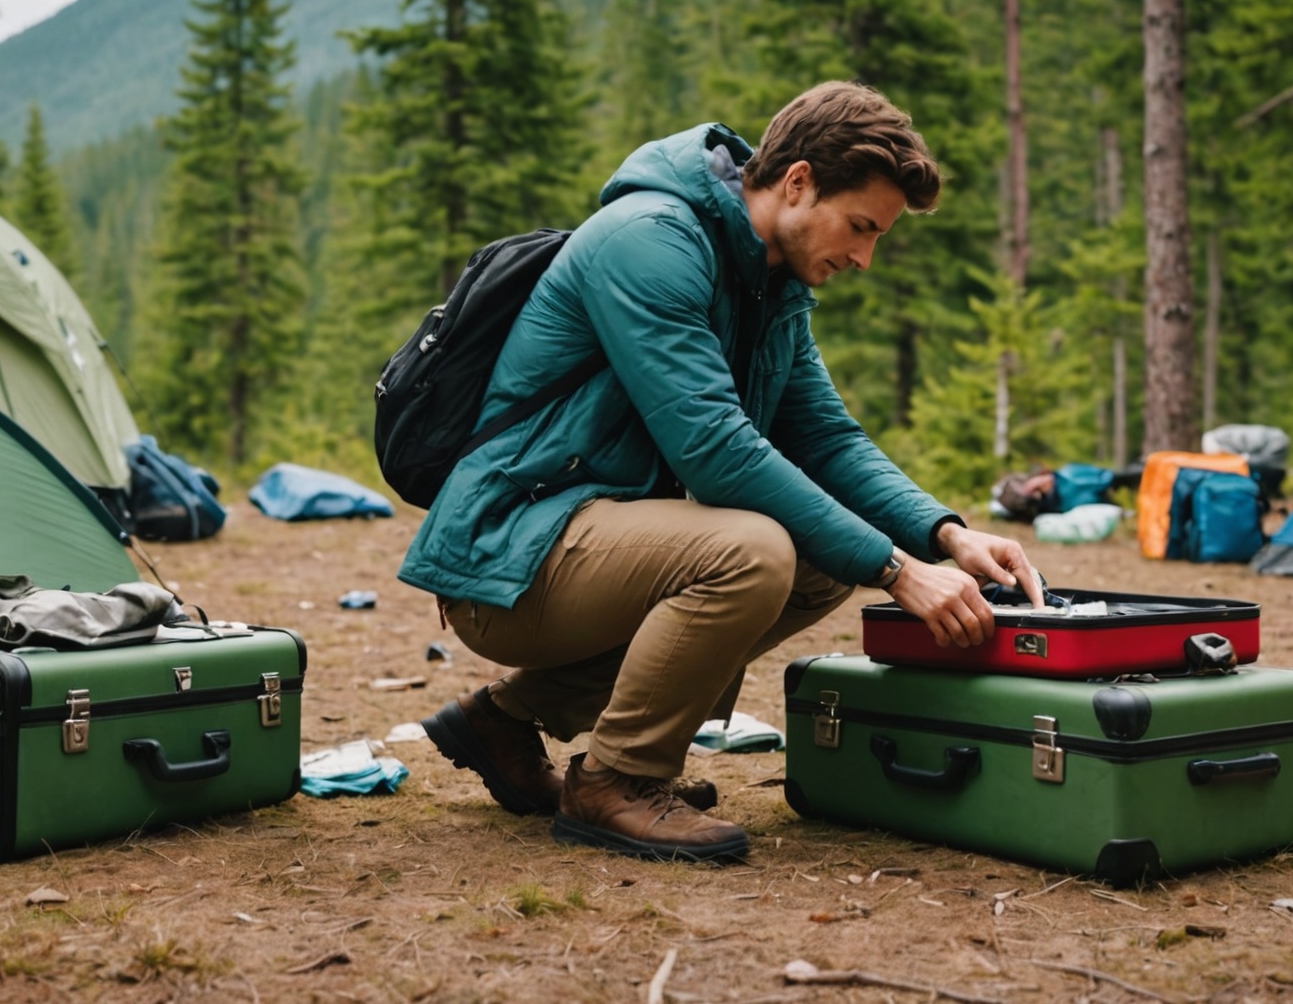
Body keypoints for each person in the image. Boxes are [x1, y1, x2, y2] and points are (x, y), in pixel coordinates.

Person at [403, 82, 1042, 861]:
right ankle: (618, 782)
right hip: (509, 552)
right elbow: (715, 448)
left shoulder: (771, 284)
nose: (865, 258)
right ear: (799, 182)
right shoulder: (649, 240)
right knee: (753, 551)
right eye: (861, 227)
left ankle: (506, 721)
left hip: (591, 537)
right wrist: (898, 571)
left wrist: (945, 534)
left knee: (816, 560)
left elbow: (826, 437)